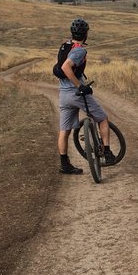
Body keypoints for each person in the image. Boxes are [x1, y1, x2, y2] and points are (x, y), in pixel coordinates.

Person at [56, 17, 117, 174]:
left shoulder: (65, 45)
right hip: (76, 94)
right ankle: (108, 153)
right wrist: (80, 86)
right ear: (86, 34)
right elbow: (65, 67)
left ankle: (65, 164)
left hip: (63, 95)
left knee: (64, 131)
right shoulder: (79, 50)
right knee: (102, 118)